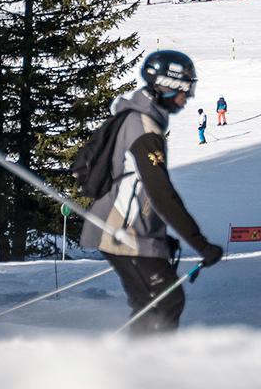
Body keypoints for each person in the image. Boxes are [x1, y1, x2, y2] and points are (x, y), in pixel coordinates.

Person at [82, 49, 224, 333]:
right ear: (166, 87)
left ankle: (138, 366)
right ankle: (145, 367)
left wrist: (158, 238)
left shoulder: (141, 120)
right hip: (122, 232)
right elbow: (160, 193)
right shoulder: (144, 128)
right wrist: (200, 244)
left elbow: (139, 189)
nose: (188, 97)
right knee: (163, 303)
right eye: (185, 88)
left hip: (127, 230)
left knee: (153, 303)